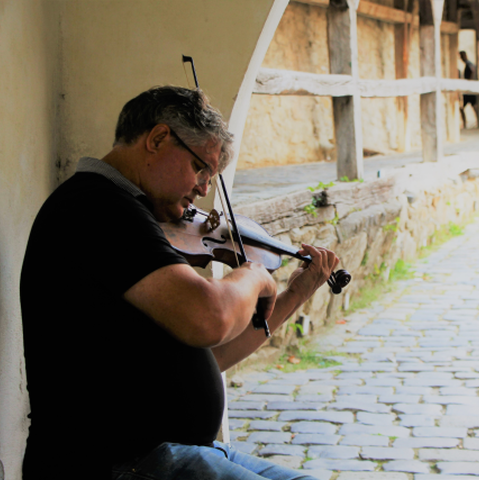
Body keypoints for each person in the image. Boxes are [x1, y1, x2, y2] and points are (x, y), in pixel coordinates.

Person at [20, 86, 339, 479]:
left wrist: (296, 293)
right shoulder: (96, 208)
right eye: (201, 168)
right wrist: (255, 275)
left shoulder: (130, 212)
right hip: (116, 463)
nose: (205, 188)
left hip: (171, 453)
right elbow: (210, 317)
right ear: (157, 139)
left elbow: (209, 355)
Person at [459, 51, 478, 129]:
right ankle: (466, 123)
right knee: (472, 107)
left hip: (469, 91)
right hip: (469, 90)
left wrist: (470, 82)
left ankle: (465, 123)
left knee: (471, 107)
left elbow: (472, 71)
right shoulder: (469, 64)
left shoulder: (469, 64)